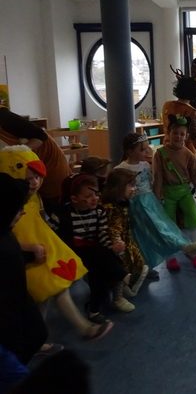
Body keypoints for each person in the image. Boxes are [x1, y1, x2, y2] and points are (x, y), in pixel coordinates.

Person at [0, 146, 111, 341]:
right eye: (29, 179)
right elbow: (5, 237)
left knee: (50, 292)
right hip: (22, 257)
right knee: (44, 294)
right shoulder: (9, 203)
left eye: (37, 178)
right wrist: (29, 248)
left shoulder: (33, 198)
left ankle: (43, 338)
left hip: (39, 254)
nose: (35, 183)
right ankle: (64, 333)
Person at [114, 133, 196, 275]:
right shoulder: (120, 169)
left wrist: (157, 197)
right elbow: (118, 191)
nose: (146, 152)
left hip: (150, 203)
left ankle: (185, 246)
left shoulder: (145, 165)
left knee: (163, 227)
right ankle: (145, 266)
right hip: (135, 206)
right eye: (142, 149)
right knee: (141, 237)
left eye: (146, 148)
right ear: (130, 151)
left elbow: (152, 182)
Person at [50, 174, 133, 320]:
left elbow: (102, 234)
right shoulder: (62, 213)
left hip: (95, 253)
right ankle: (124, 276)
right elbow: (50, 234)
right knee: (98, 254)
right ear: (74, 198)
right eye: (88, 196)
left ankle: (94, 310)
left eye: (96, 194)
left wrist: (113, 246)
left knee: (99, 278)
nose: (95, 198)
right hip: (72, 253)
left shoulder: (99, 211)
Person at [0, 173, 47, 374]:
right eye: (18, 208)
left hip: (19, 302)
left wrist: (29, 255)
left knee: (37, 335)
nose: (22, 212)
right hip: (7, 314)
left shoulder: (5, 230)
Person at [153, 116, 196, 270]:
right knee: (168, 224)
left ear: (186, 136)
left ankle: (193, 251)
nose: (178, 136)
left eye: (182, 134)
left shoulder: (189, 154)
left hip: (184, 192)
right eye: (175, 133)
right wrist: (157, 197)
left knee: (194, 219)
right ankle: (170, 257)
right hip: (167, 193)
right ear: (168, 133)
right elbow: (157, 177)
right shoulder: (160, 154)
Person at [0, 106, 71, 213]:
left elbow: (40, 135)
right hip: (32, 170)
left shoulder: (3, 116)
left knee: (55, 207)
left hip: (51, 167)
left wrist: (19, 152)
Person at [101, 169, 149, 297]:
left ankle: (126, 289)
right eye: (131, 185)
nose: (134, 189)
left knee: (138, 265)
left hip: (127, 241)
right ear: (119, 187)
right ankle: (119, 295)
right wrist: (117, 241)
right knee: (122, 270)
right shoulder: (111, 208)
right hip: (117, 246)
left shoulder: (123, 203)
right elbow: (112, 228)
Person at [162, 72, 196, 159]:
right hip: (185, 151)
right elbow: (194, 136)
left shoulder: (167, 105)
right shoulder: (190, 111)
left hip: (166, 148)